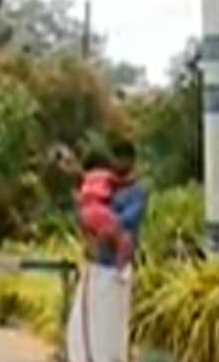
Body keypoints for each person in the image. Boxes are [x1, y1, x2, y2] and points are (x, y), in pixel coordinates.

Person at [66, 139, 147, 362]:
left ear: (132, 161)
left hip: (116, 272)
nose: (119, 164)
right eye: (115, 159)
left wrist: (106, 226)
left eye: (123, 159)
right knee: (84, 329)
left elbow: (127, 222)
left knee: (112, 330)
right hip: (95, 266)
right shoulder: (103, 185)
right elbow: (84, 212)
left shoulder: (137, 192)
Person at [77, 151, 134, 268]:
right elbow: (122, 183)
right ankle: (119, 270)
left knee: (93, 245)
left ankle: (88, 266)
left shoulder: (86, 177)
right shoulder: (106, 175)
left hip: (85, 214)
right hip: (101, 211)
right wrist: (134, 179)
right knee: (123, 241)